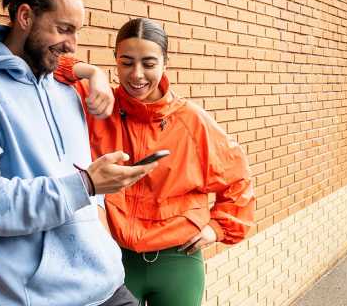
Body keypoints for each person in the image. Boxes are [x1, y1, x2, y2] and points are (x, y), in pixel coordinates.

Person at [0, 0, 157, 306]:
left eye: (77, 31)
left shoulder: (65, 91)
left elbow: (86, 190)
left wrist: (102, 231)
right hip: (32, 298)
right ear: (25, 17)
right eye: (64, 29)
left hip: (107, 286)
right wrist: (87, 185)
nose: (73, 44)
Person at [55, 18, 256, 306]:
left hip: (177, 262)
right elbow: (46, 63)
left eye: (148, 64)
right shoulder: (99, 105)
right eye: (126, 62)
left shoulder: (192, 121)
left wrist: (217, 228)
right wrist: (92, 73)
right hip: (114, 259)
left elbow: (238, 180)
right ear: (116, 61)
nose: (137, 75)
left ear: (165, 63)